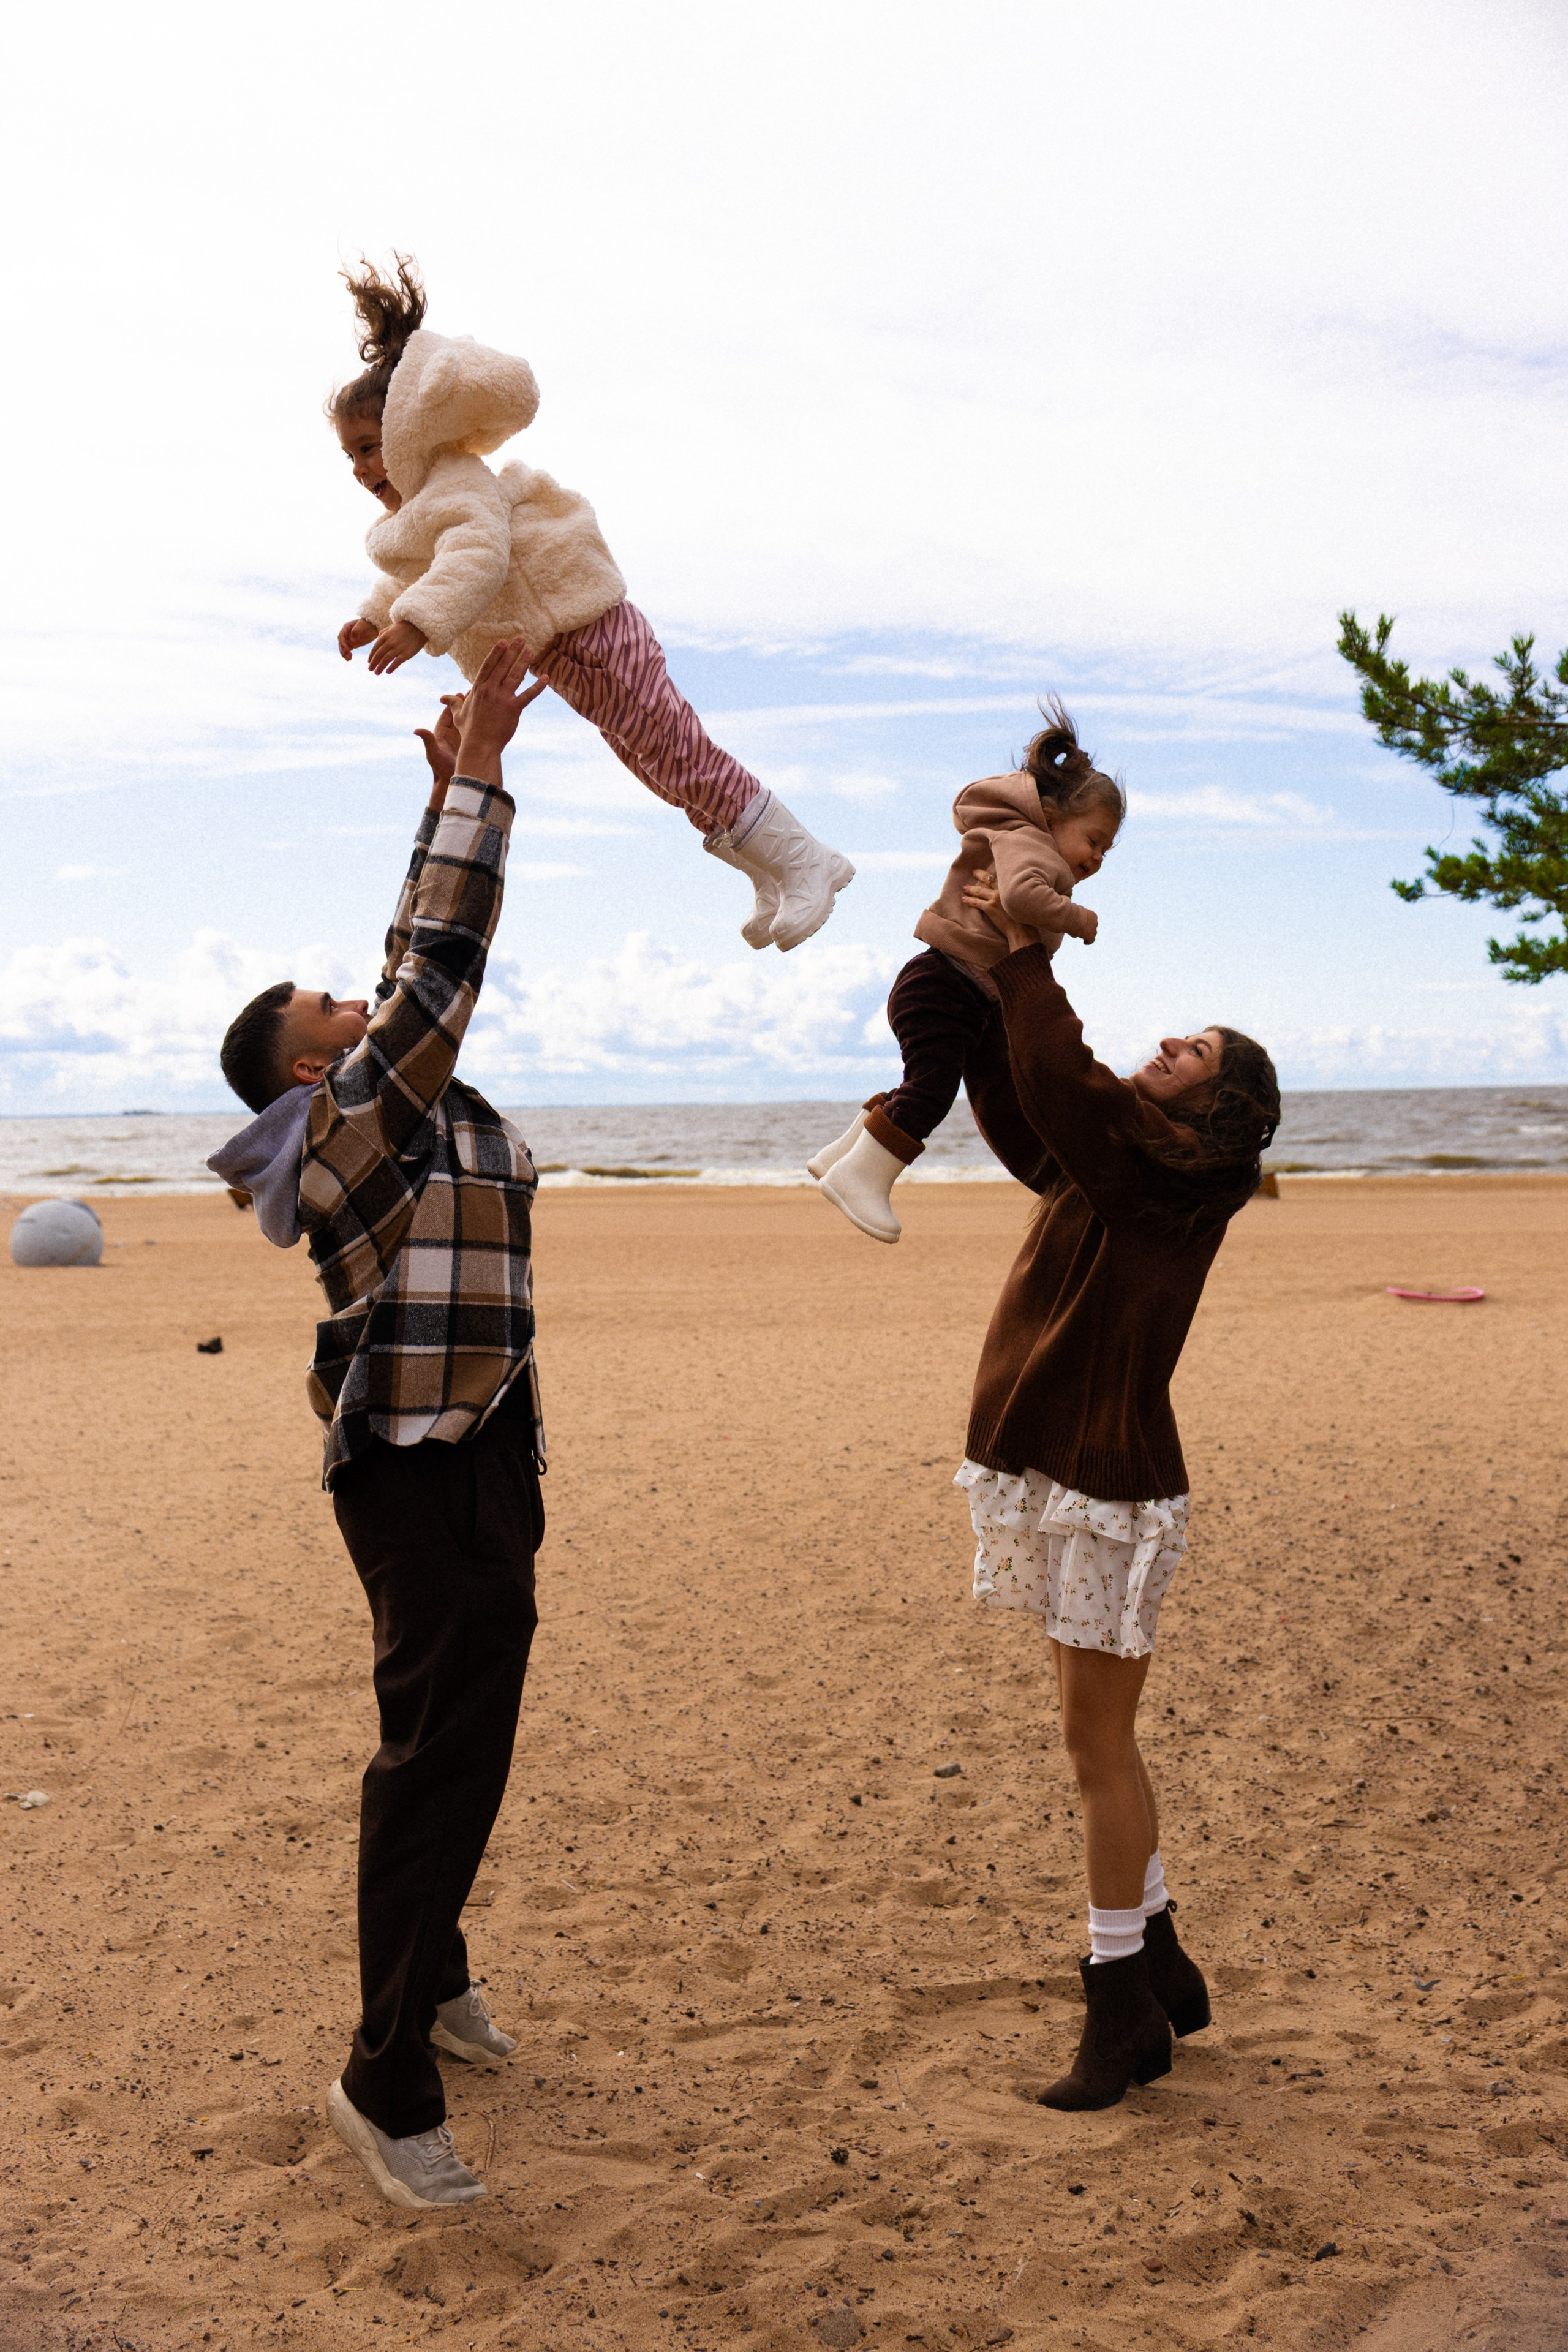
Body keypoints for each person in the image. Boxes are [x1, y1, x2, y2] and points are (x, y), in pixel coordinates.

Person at [208, 642, 548, 2209]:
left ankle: (440, 1973)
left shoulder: (368, 1101)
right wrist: (479, 773)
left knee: (468, 1737)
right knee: (432, 1757)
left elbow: (410, 948)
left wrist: (437, 801)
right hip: (419, 1471)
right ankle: (380, 2074)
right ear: (304, 1061)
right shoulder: (349, 1119)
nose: (359, 997)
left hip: (482, 1440)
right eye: (332, 1005)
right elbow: (437, 969)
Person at [951, 868, 1279, 2112]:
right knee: (1094, 1741)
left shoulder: (1175, 1172)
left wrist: (1027, 961)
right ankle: (1162, 1960)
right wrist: (978, 985)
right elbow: (1032, 1108)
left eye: (1189, 1048)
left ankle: (1120, 2008)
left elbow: (1064, 1087)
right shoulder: (1131, 1164)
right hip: (1081, 1478)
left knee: (1096, 1748)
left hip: (1110, 1490)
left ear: (1220, 1103)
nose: (1163, 1045)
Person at [330, 255, 853, 952]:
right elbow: (420, 566)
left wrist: (413, 624)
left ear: (407, 433)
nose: (364, 469)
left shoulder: (457, 482)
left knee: (675, 748)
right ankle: (769, 867)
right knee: (654, 763)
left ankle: (804, 860)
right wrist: (375, 613)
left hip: (586, 630)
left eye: (370, 448)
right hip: (565, 652)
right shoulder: (428, 504)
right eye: (352, 458)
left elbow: (474, 557)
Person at [809, 704, 1122, 1242]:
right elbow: (1022, 899)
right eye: (1094, 840)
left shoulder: (1024, 842)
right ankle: (861, 1178)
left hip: (945, 984)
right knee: (932, 1091)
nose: (1097, 858)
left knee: (925, 1079)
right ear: (1052, 818)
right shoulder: (1033, 850)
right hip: (946, 987)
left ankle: (844, 1156)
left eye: (1107, 850)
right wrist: (1079, 919)